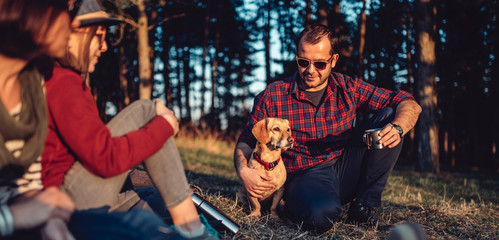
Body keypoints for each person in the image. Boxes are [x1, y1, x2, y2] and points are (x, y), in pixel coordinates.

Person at [41, 0, 219, 239]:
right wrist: (164, 126)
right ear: (74, 32)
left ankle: (182, 219)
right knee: (147, 111)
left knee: (151, 198)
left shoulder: (63, 80)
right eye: (99, 36)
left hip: (79, 195)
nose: (104, 47)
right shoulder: (63, 82)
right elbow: (105, 158)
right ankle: (191, 228)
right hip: (63, 201)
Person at [234, 24, 422, 233]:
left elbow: (406, 101)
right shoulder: (272, 95)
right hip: (305, 175)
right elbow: (246, 141)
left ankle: (364, 208)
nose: (310, 70)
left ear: (333, 60)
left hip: (346, 166)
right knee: (321, 218)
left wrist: (398, 127)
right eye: (303, 62)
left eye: (320, 64)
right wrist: (244, 171)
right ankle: (314, 205)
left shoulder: (347, 87)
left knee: (388, 116)